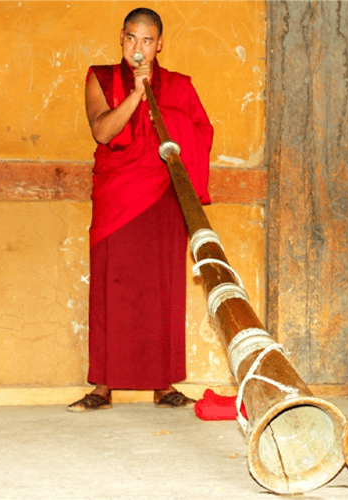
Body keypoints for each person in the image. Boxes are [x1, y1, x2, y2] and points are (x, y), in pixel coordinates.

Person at [68, 8, 213, 411]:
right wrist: (137, 93)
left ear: (159, 44)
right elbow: (102, 130)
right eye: (132, 39)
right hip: (118, 195)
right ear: (121, 38)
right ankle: (102, 387)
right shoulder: (101, 78)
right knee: (111, 288)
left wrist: (167, 116)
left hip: (161, 196)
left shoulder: (180, 87)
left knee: (162, 289)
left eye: (147, 41)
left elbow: (202, 132)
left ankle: (162, 385)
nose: (139, 48)